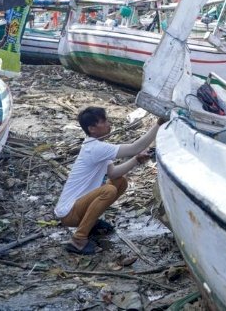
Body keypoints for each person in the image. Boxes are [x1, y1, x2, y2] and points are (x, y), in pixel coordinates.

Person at [54, 107, 161, 254]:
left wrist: (136, 160)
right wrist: (158, 124)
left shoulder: (94, 146)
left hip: (76, 208)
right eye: (104, 122)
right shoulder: (95, 148)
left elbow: (113, 173)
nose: (109, 124)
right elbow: (135, 147)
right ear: (92, 128)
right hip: (69, 213)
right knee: (108, 190)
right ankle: (78, 239)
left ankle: (90, 224)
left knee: (120, 182)